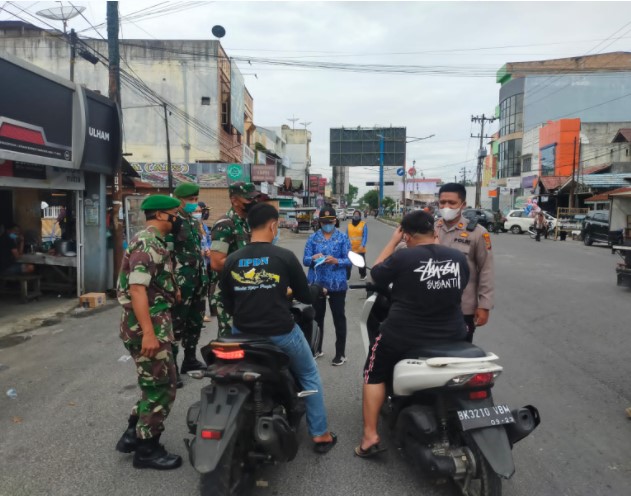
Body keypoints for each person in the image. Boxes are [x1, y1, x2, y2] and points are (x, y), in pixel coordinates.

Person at [219, 203, 337, 454]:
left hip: (242, 334)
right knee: (309, 374)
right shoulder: (283, 257)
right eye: (277, 227)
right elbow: (305, 295)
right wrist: (315, 290)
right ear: (273, 226)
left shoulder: (231, 260)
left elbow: (227, 303)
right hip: (281, 332)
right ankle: (320, 434)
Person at [356, 211, 469, 458]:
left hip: (403, 335)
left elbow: (375, 275)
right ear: (435, 232)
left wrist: (393, 242)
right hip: (453, 335)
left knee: (373, 373)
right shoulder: (458, 258)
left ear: (406, 235)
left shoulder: (403, 257)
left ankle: (369, 436)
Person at [115, 194, 182, 470]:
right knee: (161, 388)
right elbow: (137, 288)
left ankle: (133, 434)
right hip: (148, 328)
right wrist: (149, 333)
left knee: (154, 384)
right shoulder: (147, 243)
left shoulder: (155, 243)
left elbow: (151, 283)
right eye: (175, 214)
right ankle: (147, 449)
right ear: (161, 215)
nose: (178, 219)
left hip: (154, 323)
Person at [435, 183, 494, 343]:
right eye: (442, 202)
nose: (446, 206)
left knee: (459, 357)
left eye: (452, 203)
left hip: (463, 308)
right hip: (431, 306)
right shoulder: (430, 229)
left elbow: (486, 270)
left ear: (463, 205)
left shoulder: (477, 232)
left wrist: (484, 305)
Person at [210, 182, 262, 337]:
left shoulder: (249, 223)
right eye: (248, 199)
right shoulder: (224, 225)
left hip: (248, 290)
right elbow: (216, 262)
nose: (253, 202)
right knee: (230, 339)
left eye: (254, 198)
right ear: (235, 200)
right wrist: (247, 263)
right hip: (229, 293)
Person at [169, 183, 209, 381]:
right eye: (191, 200)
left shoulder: (193, 222)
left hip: (198, 279)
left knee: (195, 320)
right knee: (177, 324)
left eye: (196, 200)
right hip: (182, 281)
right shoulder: (173, 222)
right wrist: (172, 284)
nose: (195, 204)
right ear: (179, 201)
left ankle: (190, 359)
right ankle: (172, 368)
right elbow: (168, 255)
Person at [302, 206, 351, 365]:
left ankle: (340, 353)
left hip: (337, 284)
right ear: (319, 222)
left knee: (339, 318)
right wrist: (313, 257)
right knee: (316, 318)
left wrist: (337, 260)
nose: (327, 224)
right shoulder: (313, 238)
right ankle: (316, 349)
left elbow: (349, 260)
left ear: (335, 221)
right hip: (317, 284)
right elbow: (305, 260)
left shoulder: (343, 238)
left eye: (330, 221)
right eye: (324, 222)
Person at [195, 202, 213, 322]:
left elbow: (207, 240)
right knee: (197, 288)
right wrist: (199, 251)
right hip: (196, 263)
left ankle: (201, 313)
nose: (202, 213)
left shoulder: (203, 225)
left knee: (203, 288)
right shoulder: (192, 225)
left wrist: (209, 250)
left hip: (205, 262)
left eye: (200, 211)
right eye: (198, 211)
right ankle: (198, 314)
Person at [346, 210, 368, 281]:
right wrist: (346, 245)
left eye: (357, 214)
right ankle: (347, 277)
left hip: (360, 248)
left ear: (360, 216)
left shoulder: (363, 224)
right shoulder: (349, 225)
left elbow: (365, 236)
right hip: (350, 248)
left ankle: (363, 275)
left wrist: (363, 245)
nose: (356, 215)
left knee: (360, 263)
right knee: (348, 263)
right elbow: (346, 236)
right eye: (355, 214)